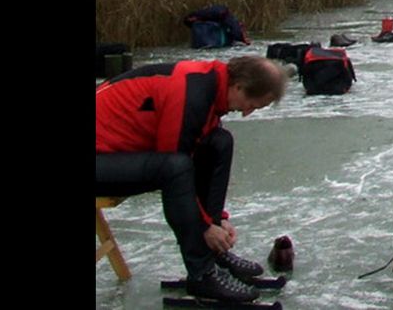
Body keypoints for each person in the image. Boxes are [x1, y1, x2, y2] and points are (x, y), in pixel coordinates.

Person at [96, 56, 289, 303]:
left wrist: (217, 220)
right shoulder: (192, 95)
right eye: (251, 104)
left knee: (220, 143)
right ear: (238, 86)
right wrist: (203, 227)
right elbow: (177, 166)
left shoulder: (211, 87)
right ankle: (202, 274)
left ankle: (214, 253)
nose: (246, 113)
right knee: (175, 167)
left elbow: (197, 156)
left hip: (115, 155)